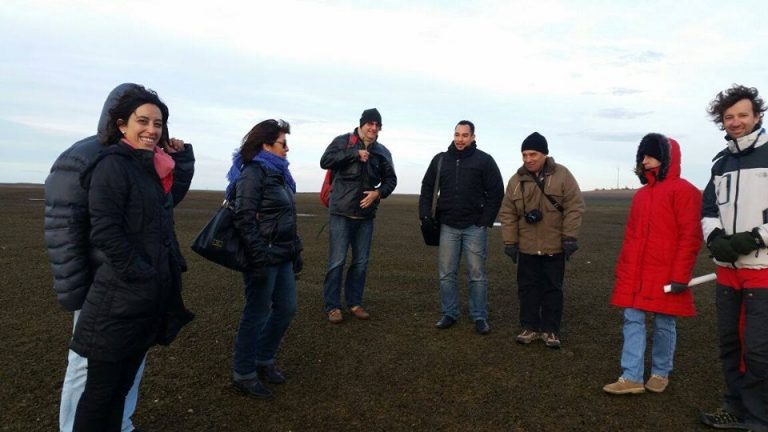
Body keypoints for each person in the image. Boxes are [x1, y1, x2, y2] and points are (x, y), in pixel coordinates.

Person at [44, 83, 195, 432]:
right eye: (142, 120)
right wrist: (77, 288)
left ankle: (121, 424)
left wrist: (181, 159)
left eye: (158, 123)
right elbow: (67, 228)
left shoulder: (149, 163)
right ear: (120, 120)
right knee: (89, 372)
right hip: (104, 282)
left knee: (126, 372)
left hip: (133, 287)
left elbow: (161, 205)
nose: (152, 130)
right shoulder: (92, 158)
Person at [602, 134, 702, 395]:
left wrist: (680, 275)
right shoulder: (641, 196)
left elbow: (690, 237)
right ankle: (631, 375)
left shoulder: (685, 191)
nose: (644, 161)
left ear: (666, 158)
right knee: (632, 319)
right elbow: (632, 236)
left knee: (664, 322)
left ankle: (660, 372)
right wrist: (624, 268)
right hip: (637, 271)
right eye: (642, 156)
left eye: (649, 155)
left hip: (666, 273)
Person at [700, 85, 768, 432]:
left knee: (758, 349)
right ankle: (736, 407)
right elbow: (708, 208)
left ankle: (760, 418)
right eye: (729, 117)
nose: (736, 122)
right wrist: (714, 238)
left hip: (763, 271)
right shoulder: (720, 163)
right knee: (730, 343)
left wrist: (755, 237)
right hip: (727, 271)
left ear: (757, 116)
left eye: (743, 115)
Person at [226, 119, 302, 399]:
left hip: (281, 254)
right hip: (263, 255)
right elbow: (244, 218)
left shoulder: (280, 174)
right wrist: (257, 259)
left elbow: (286, 218)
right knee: (256, 313)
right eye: (283, 143)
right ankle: (243, 372)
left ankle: (264, 359)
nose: (287, 148)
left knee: (286, 308)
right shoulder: (254, 173)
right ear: (266, 145)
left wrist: (296, 249)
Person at [499, 132, 585, 349]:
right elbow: (508, 213)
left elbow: (575, 207)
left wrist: (569, 237)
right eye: (524, 155)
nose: (528, 159)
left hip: (554, 246)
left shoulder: (563, 175)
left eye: (533, 154)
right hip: (527, 247)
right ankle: (529, 327)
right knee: (527, 288)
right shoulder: (516, 181)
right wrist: (510, 242)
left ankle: (551, 330)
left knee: (552, 289)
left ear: (545, 154)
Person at [418, 120, 504, 334]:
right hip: (447, 225)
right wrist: (425, 214)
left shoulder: (484, 161)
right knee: (447, 273)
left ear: (473, 137)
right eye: (457, 134)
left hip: (475, 226)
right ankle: (449, 313)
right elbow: (427, 187)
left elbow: (496, 191)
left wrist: (485, 220)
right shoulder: (441, 160)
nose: (460, 139)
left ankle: (479, 316)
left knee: (477, 274)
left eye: (465, 135)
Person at [319, 108, 397, 323]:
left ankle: (354, 303)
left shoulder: (382, 152)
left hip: (365, 216)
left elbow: (391, 180)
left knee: (361, 262)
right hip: (341, 214)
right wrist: (354, 154)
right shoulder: (343, 142)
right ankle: (333, 306)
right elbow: (325, 160)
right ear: (361, 124)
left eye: (377, 125)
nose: (373, 128)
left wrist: (378, 194)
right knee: (337, 261)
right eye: (370, 124)